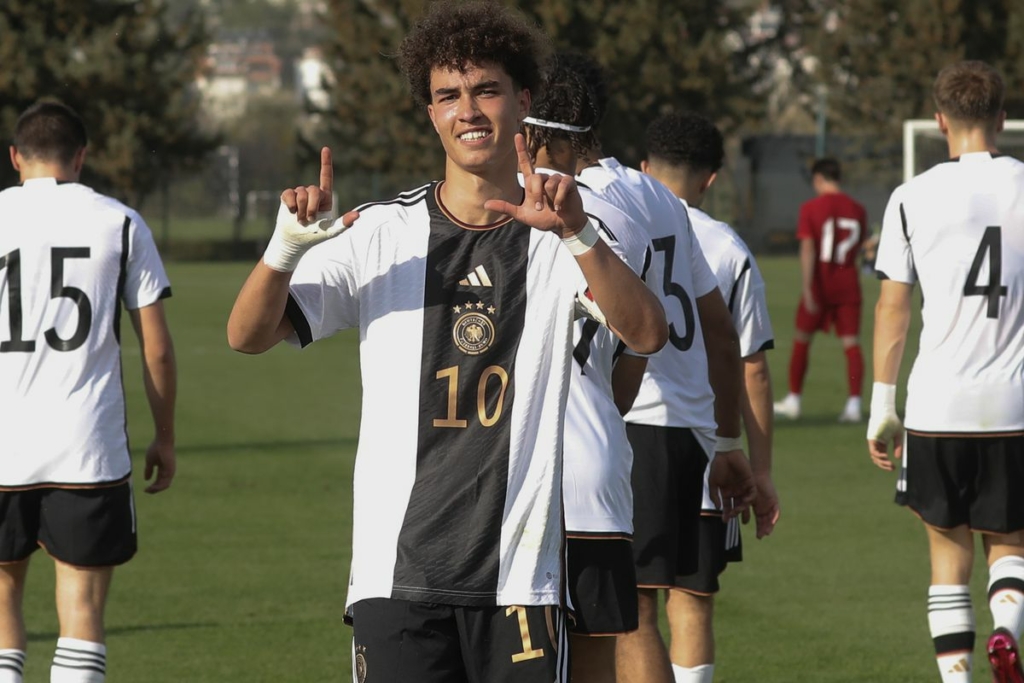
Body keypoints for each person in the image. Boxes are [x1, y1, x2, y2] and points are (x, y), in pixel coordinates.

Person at [226, 3, 668, 681]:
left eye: (487, 90)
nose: (469, 110)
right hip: (395, 575)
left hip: (521, 577)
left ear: (524, 101)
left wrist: (577, 234)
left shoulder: (560, 227)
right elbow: (247, 335)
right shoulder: (378, 231)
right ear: (430, 113)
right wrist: (283, 248)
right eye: (448, 96)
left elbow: (647, 332)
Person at [565, 52, 757, 683]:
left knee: (629, 615)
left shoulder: (577, 202)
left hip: (628, 423)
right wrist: (730, 439)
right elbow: (722, 333)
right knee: (692, 597)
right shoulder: (661, 201)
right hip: (698, 431)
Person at [0, 101, 176, 683]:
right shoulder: (119, 221)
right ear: (80, 156)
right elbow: (155, 348)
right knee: (82, 612)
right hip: (87, 452)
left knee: (1, 608)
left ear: (14, 158)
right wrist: (165, 437)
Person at [867, 60, 1024, 683]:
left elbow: (893, 307)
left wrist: (882, 406)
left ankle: (957, 679)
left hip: (936, 407)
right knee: (1010, 543)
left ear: (938, 123)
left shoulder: (910, 196)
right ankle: (1008, 628)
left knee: (946, 551)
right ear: (1003, 119)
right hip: (1015, 404)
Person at [523, 53, 652, 683]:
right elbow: (630, 370)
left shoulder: (488, 210)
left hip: (511, 479)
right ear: (592, 139)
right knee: (596, 664)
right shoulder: (624, 224)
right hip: (596, 472)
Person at [642, 110, 780, 683]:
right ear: (712, 179)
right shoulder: (730, 248)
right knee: (692, 596)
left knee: (632, 602)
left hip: (629, 435)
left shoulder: (617, 229)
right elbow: (753, 370)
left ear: (643, 168)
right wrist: (762, 471)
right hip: (706, 442)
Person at [774, 157, 868, 422]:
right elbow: (858, 249)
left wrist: (807, 288)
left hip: (820, 283)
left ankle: (794, 399)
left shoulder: (811, 208)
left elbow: (808, 248)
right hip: (848, 283)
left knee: (802, 340)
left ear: (818, 179)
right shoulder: (857, 209)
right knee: (851, 345)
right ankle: (853, 404)